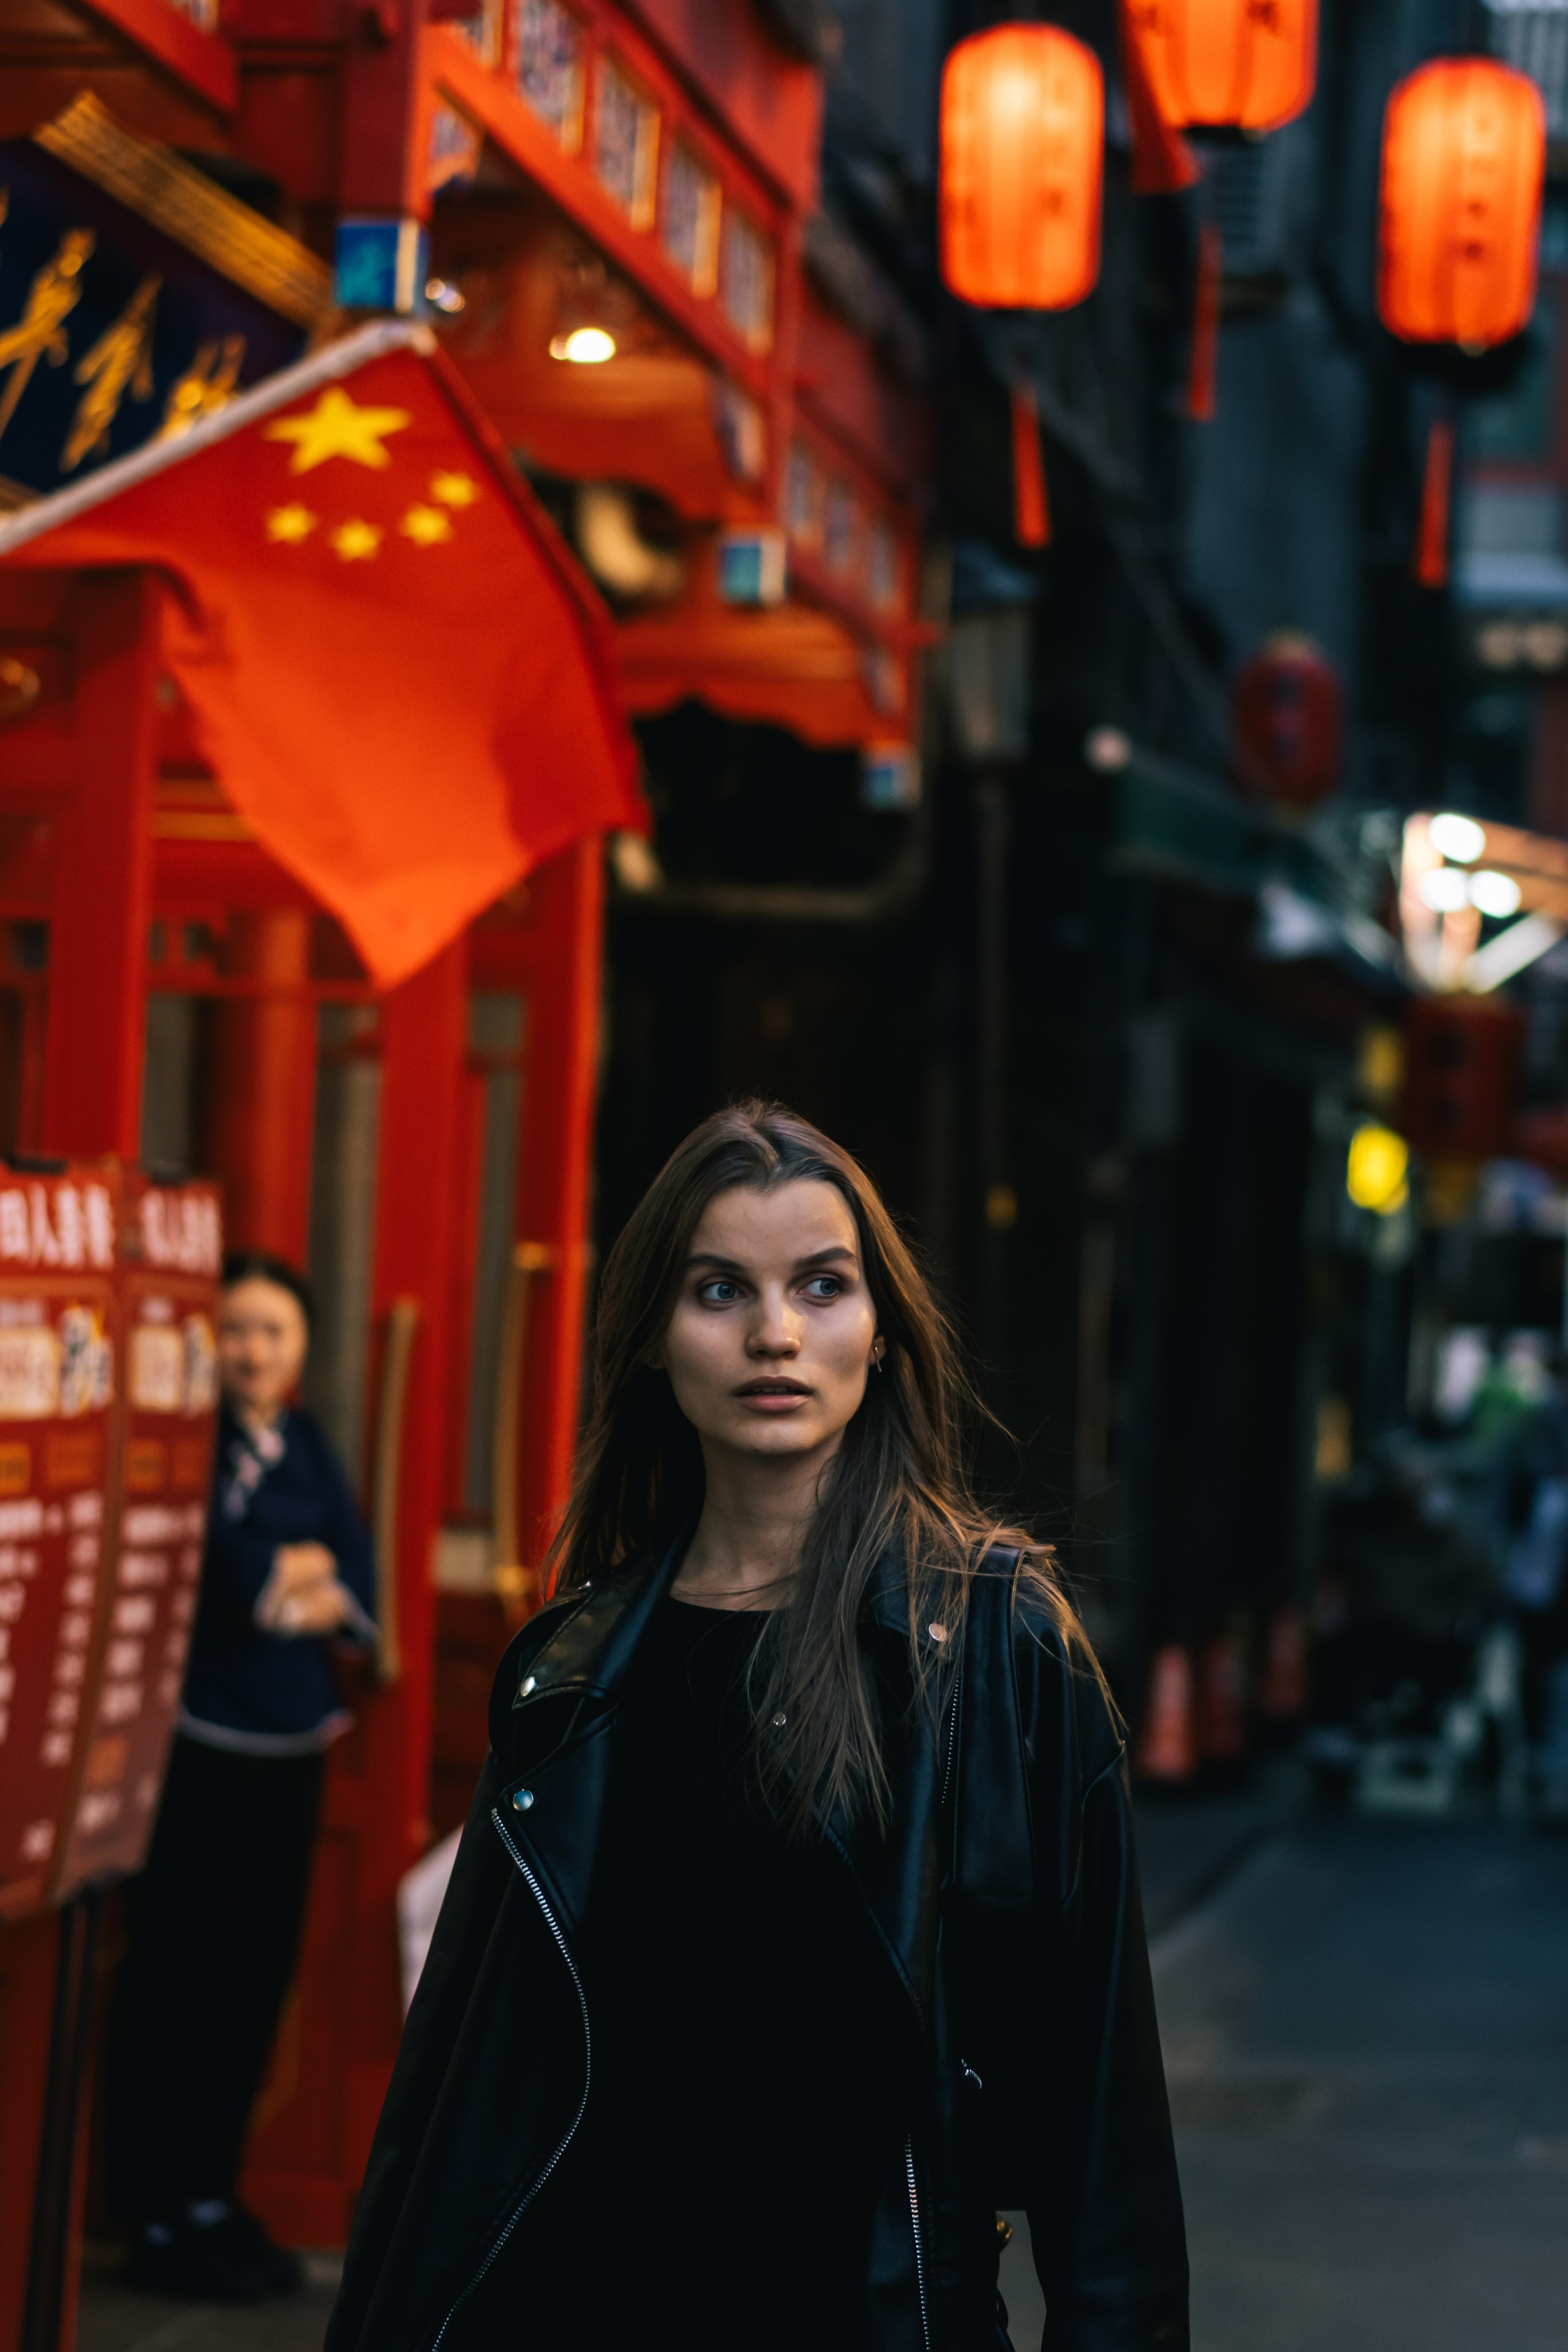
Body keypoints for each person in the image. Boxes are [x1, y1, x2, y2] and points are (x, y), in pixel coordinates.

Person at [328, 1103, 1188, 2352]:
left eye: (821, 1285)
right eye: (719, 1289)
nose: (773, 1334)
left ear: (880, 1331)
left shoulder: (995, 1649)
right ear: (649, 1342)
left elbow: (1101, 2121)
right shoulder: (573, 1670)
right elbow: (456, 2100)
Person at [106, 1250, 377, 2302]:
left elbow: (351, 1569)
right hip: (202, 1739)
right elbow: (222, 1568)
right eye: (236, 1331)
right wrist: (280, 1575)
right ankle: (162, 2208)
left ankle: (215, 2194)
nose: (253, 1352)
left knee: (256, 1976)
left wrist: (298, 1576)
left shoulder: (305, 1441)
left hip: (295, 1737)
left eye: (273, 1332)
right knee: (183, 1970)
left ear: (302, 1347)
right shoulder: (191, 1443)